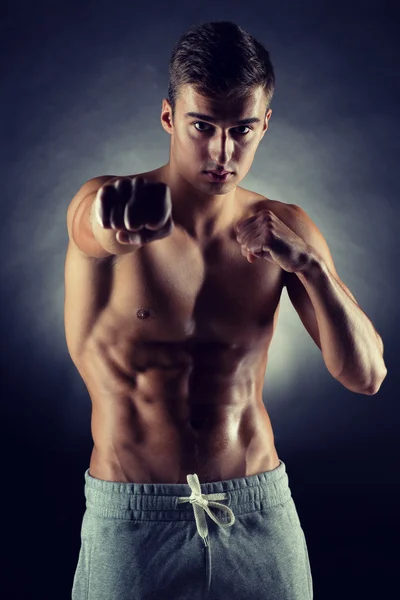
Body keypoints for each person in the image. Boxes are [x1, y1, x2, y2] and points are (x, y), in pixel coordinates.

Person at [67, 20, 386, 600]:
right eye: (202, 126)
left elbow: (365, 376)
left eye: (241, 130)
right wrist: (110, 221)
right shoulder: (112, 200)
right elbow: (91, 228)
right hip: (135, 521)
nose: (221, 152)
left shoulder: (286, 227)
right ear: (169, 117)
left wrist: (308, 265)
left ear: (265, 124)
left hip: (258, 507)